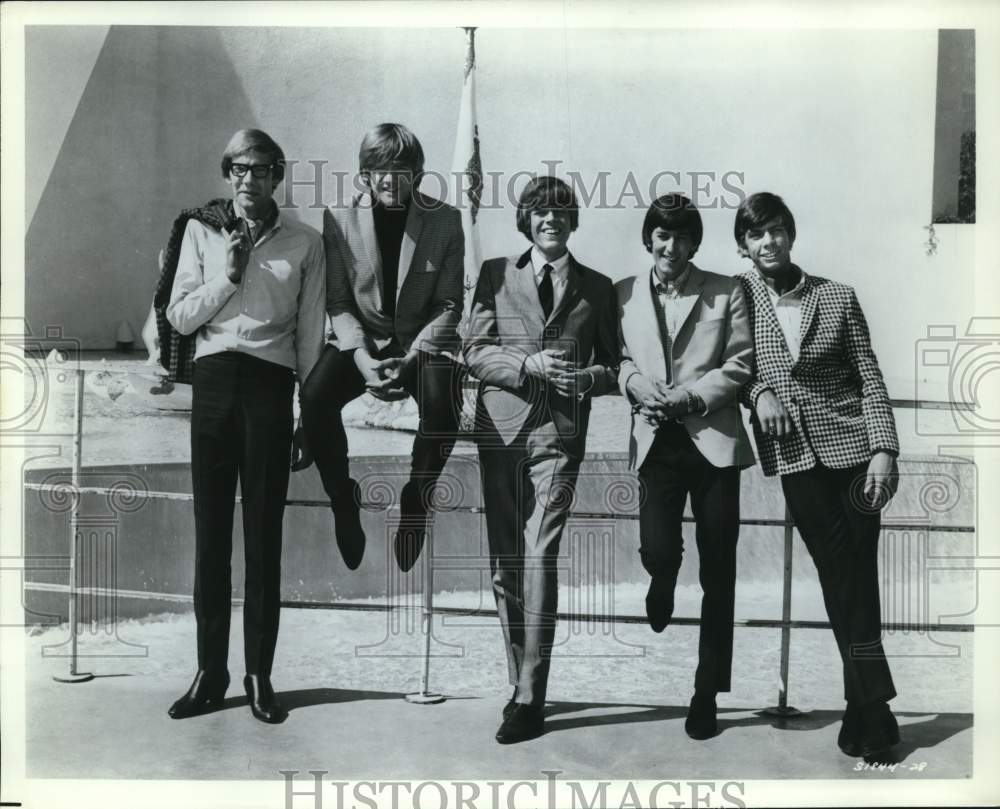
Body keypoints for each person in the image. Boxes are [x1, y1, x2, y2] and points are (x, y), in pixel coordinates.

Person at [166, 128, 326, 723]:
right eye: (239, 168)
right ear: (227, 173)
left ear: (277, 176)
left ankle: (260, 674)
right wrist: (229, 276)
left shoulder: (306, 243)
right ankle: (210, 673)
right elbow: (180, 318)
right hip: (212, 386)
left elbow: (309, 338)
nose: (249, 179)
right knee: (210, 538)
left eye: (261, 169)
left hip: (269, 388)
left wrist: (309, 416)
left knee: (263, 538)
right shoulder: (201, 231)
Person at [734, 191, 901, 757]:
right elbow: (730, 366)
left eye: (776, 230)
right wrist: (758, 393)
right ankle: (873, 704)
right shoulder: (735, 298)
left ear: (791, 234)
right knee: (838, 572)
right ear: (743, 246)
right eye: (756, 234)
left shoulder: (837, 296)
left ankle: (865, 709)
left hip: (855, 450)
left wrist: (884, 449)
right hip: (795, 456)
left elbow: (870, 376)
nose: (769, 242)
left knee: (858, 574)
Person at [463, 176, 619, 744]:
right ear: (526, 221)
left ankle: (532, 694)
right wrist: (524, 366)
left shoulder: (598, 287)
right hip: (500, 431)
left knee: (540, 553)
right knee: (505, 561)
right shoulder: (494, 274)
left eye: (560, 211)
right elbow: (474, 351)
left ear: (572, 221)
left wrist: (589, 378)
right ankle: (517, 681)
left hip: (560, 434)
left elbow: (613, 364)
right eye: (539, 212)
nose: (550, 219)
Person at [616, 193, 754, 740]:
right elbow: (618, 359)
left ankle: (706, 693)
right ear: (648, 238)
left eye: (682, 237)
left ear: (695, 243)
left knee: (719, 572)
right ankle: (663, 576)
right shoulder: (622, 293)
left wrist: (693, 398)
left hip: (713, 442)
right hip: (656, 441)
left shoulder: (727, 290)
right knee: (657, 549)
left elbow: (740, 362)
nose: (671, 246)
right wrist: (634, 383)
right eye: (662, 235)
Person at [300, 123, 464, 572]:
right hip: (363, 339)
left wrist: (413, 358)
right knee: (314, 398)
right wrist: (362, 359)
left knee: (445, 405)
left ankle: (418, 497)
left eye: (401, 170)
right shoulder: (339, 217)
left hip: (420, 344)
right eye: (380, 170)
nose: (391, 179)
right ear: (365, 175)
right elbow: (338, 301)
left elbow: (450, 305)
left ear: (418, 174)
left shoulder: (446, 220)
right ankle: (342, 498)